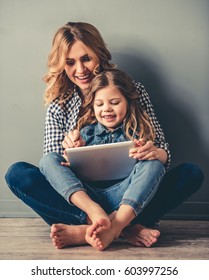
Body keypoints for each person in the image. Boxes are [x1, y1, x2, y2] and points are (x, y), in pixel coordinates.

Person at [5, 22, 204, 250]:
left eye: (86, 58)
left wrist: (156, 152)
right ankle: (119, 226)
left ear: (99, 54)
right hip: (83, 197)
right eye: (70, 62)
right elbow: (53, 170)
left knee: (190, 173)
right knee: (19, 173)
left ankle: (90, 230)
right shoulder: (59, 104)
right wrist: (70, 151)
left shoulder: (131, 89)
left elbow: (158, 152)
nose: (80, 70)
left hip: (129, 191)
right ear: (62, 65)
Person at [39, 69, 167, 250]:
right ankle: (99, 216)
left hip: (125, 197)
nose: (106, 108)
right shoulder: (85, 133)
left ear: (128, 103)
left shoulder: (139, 134)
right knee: (48, 160)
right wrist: (73, 156)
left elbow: (148, 174)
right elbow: (65, 171)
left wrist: (151, 154)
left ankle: (113, 227)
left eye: (114, 102)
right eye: (99, 104)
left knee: (155, 163)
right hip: (89, 196)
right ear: (92, 106)